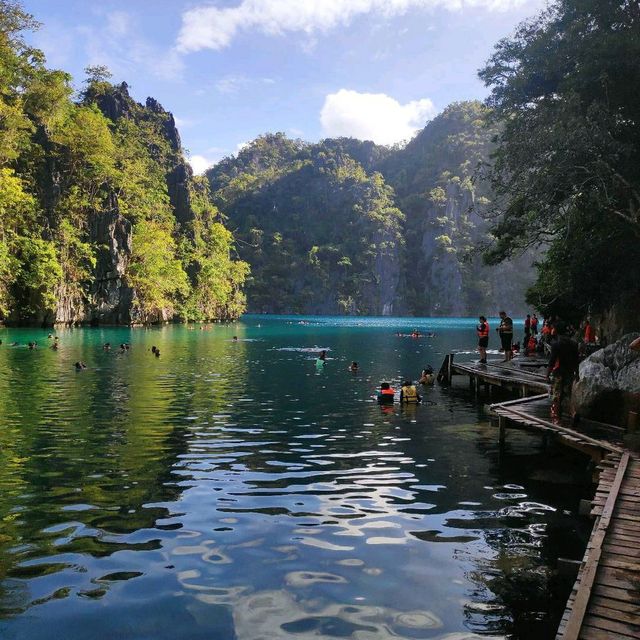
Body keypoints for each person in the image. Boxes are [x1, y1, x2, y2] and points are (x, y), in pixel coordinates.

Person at [546, 321, 579, 424]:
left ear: (556, 330)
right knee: (567, 394)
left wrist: (547, 374)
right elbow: (576, 360)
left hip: (558, 372)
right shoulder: (573, 344)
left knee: (556, 395)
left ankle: (556, 418)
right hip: (569, 372)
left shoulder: (556, 344)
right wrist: (577, 373)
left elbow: (552, 361)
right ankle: (573, 413)